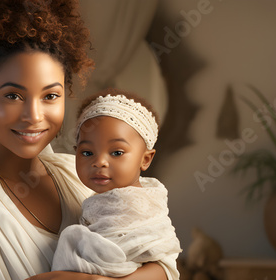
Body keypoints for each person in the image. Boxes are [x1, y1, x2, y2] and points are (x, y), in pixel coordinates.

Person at [0, 0, 176, 279]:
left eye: (50, 96)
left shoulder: (79, 178)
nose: (34, 115)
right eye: (13, 96)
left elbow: (163, 264)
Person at [51, 90, 182, 279]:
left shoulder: (142, 208)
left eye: (117, 153)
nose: (100, 162)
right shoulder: (96, 200)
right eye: (87, 153)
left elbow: (163, 266)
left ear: (145, 159)